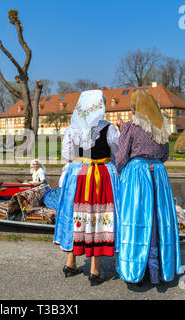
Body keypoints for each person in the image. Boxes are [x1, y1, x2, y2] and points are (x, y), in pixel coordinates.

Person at [53, 90, 121, 286]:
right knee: (98, 218)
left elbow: (67, 155)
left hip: (78, 175)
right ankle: (94, 270)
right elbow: (116, 155)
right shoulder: (109, 129)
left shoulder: (71, 129)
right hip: (101, 176)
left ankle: (71, 263)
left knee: (77, 217)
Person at [115, 89, 182, 285]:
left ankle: (137, 268)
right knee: (159, 219)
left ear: (135, 107)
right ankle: (161, 267)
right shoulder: (161, 126)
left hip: (138, 176)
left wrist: (124, 172)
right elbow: (165, 156)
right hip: (159, 175)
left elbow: (120, 157)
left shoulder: (130, 127)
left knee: (138, 219)